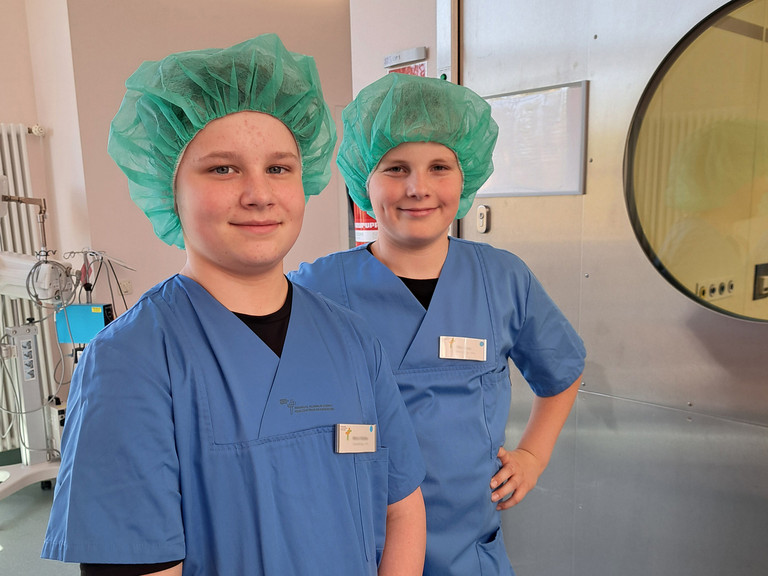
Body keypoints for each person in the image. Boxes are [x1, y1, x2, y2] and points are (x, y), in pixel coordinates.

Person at [41, 35, 426, 576]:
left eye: (279, 168)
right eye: (222, 169)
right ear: (170, 186)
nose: (258, 194)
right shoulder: (131, 362)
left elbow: (403, 506)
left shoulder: (353, 341)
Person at [289, 73, 586, 575]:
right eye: (396, 167)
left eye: (439, 166)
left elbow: (562, 367)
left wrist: (533, 455)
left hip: (469, 551)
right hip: (357, 547)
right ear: (365, 178)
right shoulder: (316, 288)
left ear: (464, 175)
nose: (418, 187)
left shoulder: (501, 278)